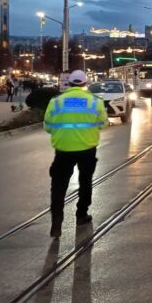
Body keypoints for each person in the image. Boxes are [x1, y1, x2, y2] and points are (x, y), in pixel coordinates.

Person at [43, 70, 107, 238]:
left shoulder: (56, 102)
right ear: (85, 84)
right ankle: (81, 214)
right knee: (85, 182)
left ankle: (56, 224)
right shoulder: (95, 102)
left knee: (58, 187)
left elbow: (48, 126)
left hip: (63, 151)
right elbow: (102, 124)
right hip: (87, 150)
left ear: (69, 84)